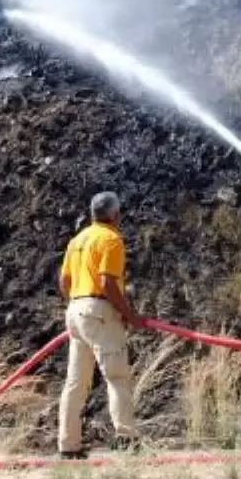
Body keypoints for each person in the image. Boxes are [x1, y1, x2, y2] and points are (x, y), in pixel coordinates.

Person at [56, 191, 142, 458]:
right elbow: (107, 282)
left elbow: (64, 281)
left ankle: (68, 446)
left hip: (75, 310)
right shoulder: (111, 239)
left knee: (76, 381)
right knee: (116, 376)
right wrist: (129, 314)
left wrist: (76, 305)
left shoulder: (78, 240)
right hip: (99, 311)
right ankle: (126, 439)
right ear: (115, 215)